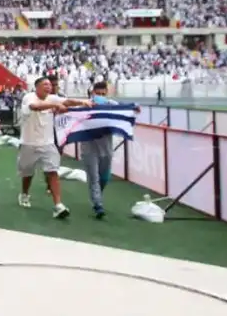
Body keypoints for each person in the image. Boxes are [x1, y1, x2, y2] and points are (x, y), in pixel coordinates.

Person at [18, 76, 92, 218]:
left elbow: (68, 101)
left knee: (52, 171)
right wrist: (54, 106)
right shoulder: (29, 97)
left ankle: (58, 205)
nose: (48, 87)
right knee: (27, 173)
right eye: (45, 84)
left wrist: (82, 102)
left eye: (49, 85)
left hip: (48, 143)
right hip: (29, 143)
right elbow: (35, 107)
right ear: (37, 87)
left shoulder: (52, 98)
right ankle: (24, 194)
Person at [80, 82, 140, 219]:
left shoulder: (111, 104)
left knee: (104, 178)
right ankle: (98, 205)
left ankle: (97, 196)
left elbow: (125, 109)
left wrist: (134, 108)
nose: (101, 96)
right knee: (93, 177)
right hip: (89, 147)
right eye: (98, 94)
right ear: (92, 93)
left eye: (103, 94)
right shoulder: (85, 105)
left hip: (106, 147)